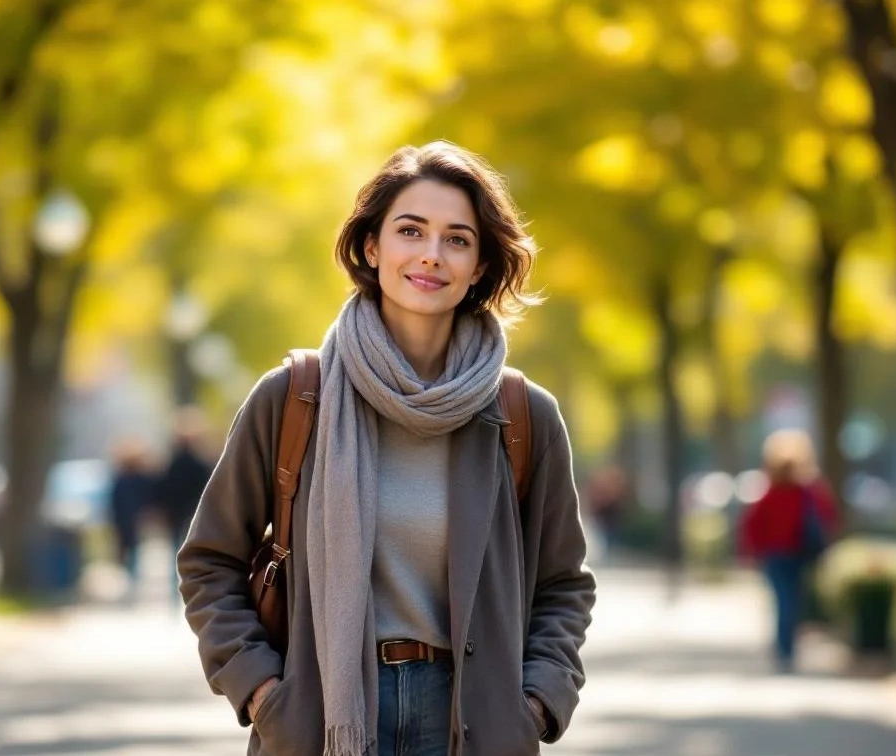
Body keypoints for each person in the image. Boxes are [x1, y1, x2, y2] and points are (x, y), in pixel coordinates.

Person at [178, 141, 596, 756]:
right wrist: (265, 692)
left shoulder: (520, 415)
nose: (431, 255)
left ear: (480, 265)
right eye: (410, 230)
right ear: (372, 248)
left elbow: (563, 585)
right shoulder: (295, 399)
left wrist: (534, 702)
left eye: (457, 239)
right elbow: (208, 562)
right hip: (321, 721)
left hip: (470, 724)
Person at [739, 429, 839, 674]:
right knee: (793, 599)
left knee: (781, 599)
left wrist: (750, 553)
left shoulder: (769, 493)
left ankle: (784, 645)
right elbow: (828, 516)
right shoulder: (809, 492)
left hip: (775, 555)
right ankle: (787, 645)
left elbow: (752, 525)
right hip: (798, 553)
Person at [157, 407, 214, 605]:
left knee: (176, 551)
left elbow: (164, 489)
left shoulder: (172, 464)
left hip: (175, 513)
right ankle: (193, 590)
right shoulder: (200, 463)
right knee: (195, 552)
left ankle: (176, 592)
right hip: (194, 512)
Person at [108, 438, 154, 601]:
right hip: (133, 519)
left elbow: (114, 501)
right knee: (132, 551)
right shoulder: (140, 478)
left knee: (127, 551)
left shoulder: (121, 479)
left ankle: (131, 581)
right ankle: (132, 580)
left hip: (124, 520)